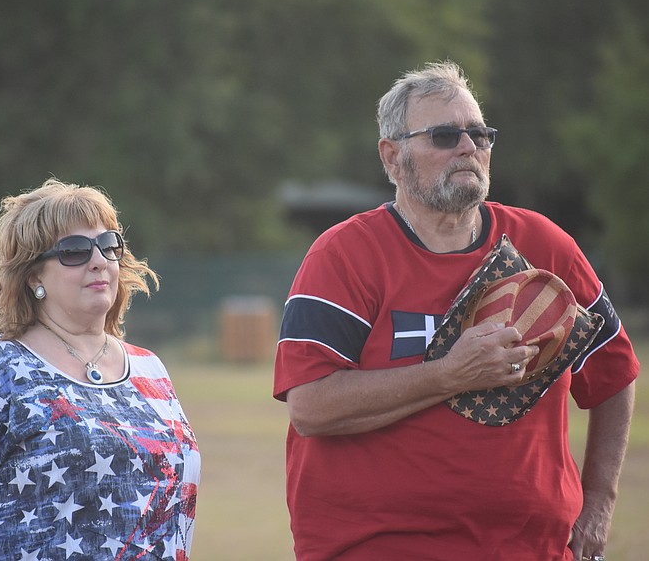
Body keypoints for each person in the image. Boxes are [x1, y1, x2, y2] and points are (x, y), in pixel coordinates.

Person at [273, 61, 638, 561]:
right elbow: (311, 407)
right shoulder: (344, 256)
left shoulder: (546, 247)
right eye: (444, 136)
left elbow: (614, 375)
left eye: (480, 135)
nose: (468, 147)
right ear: (392, 157)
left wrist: (598, 500)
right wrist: (450, 374)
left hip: (533, 549)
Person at [0, 178, 200, 560]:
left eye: (108, 245)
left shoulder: (152, 369)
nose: (99, 260)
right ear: (34, 276)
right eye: (75, 251)